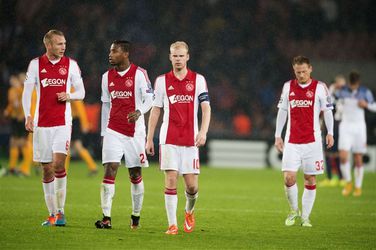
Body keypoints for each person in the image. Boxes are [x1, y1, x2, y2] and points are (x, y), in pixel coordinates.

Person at [146, 41, 211, 235]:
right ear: (170, 57)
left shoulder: (198, 80)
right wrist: (150, 138)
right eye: (175, 56)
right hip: (169, 138)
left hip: (190, 140)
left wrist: (203, 132)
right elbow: (156, 110)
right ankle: (172, 224)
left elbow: (206, 108)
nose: (178, 59)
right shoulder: (161, 81)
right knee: (171, 179)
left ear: (188, 57)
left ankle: (189, 211)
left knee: (191, 186)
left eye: (181, 56)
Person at [22, 29, 85, 226]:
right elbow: (27, 91)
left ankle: (61, 212)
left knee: (58, 165)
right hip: (42, 124)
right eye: (59, 44)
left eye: (64, 43)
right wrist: (28, 116)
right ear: (48, 45)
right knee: (46, 169)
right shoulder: (35, 64)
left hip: (63, 123)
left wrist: (70, 96)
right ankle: (51, 214)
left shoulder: (71, 65)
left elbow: (81, 92)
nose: (63, 47)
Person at [95, 40, 153, 230]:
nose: (110, 54)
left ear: (125, 53)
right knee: (110, 168)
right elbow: (105, 104)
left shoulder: (139, 74)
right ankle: (106, 217)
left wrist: (139, 111)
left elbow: (150, 99)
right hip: (113, 129)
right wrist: (104, 131)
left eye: (114, 51)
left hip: (135, 132)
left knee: (135, 173)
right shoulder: (106, 77)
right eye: (110, 51)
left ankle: (135, 216)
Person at [274, 56, 334, 227]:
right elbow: (283, 110)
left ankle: (306, 217)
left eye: (304, 71)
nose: (300, 75)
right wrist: (278, 135)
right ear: (294, 71)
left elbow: (328, 111)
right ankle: (294, 211)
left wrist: (330, 132)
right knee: (289, 178)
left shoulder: (320, 88)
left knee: (310, 179)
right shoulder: (288, 87)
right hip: (292, 141)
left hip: (312, 142)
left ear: (310, 69)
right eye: (297, 72)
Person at [336, 71, 376, 197]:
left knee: (358, 158)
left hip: (359, 127)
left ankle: (358, 187)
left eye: (354, 84)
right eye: (351, 83)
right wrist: (335, 87)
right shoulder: (342, 90)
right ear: (349, 82)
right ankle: (348, 182)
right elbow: (332, 99)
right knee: (343, 156)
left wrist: (366, 105)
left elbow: (374, 106)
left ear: (358, 82)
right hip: (346, 126)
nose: (352, 86)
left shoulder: (365, 92)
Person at [319, 75, 346, 187]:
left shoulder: (342, 95)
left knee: (335, 153)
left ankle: (338, 177)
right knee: (329, 153)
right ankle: (333, 177)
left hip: (337, 126)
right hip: (330, 125)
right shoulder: (332, 93)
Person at [4, 73, 33, 176]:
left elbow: (25, 100)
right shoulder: (11, 90)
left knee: (23, 143)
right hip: (15, 119)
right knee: (13, 142)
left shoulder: (25, 89)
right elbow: (12, 103)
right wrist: (8, 110)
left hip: (24, 119)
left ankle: (26, 168)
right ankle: (12, 168)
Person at [65, 97, 98, 176]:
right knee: (75, 146)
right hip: (74, 122)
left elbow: (80, 110)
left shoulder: (73, 92)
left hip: (74, 122)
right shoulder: (72, 92)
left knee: (69, 146)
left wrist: (84, 124)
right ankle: (92, 166)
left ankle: (63, 170)